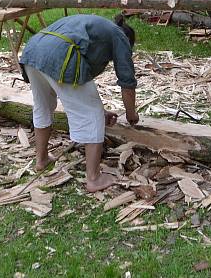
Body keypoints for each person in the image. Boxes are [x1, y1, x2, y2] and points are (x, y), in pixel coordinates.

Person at [19, 13, 139, 192]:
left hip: (33, 51)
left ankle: (41, 159)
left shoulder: (93, 25)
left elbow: (71, 90)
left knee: (43, 106)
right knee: (92, 114)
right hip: (59, 54)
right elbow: (127, 81)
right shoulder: (119, 35)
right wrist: (131, 114)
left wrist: (103, 111)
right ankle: (94, 178)